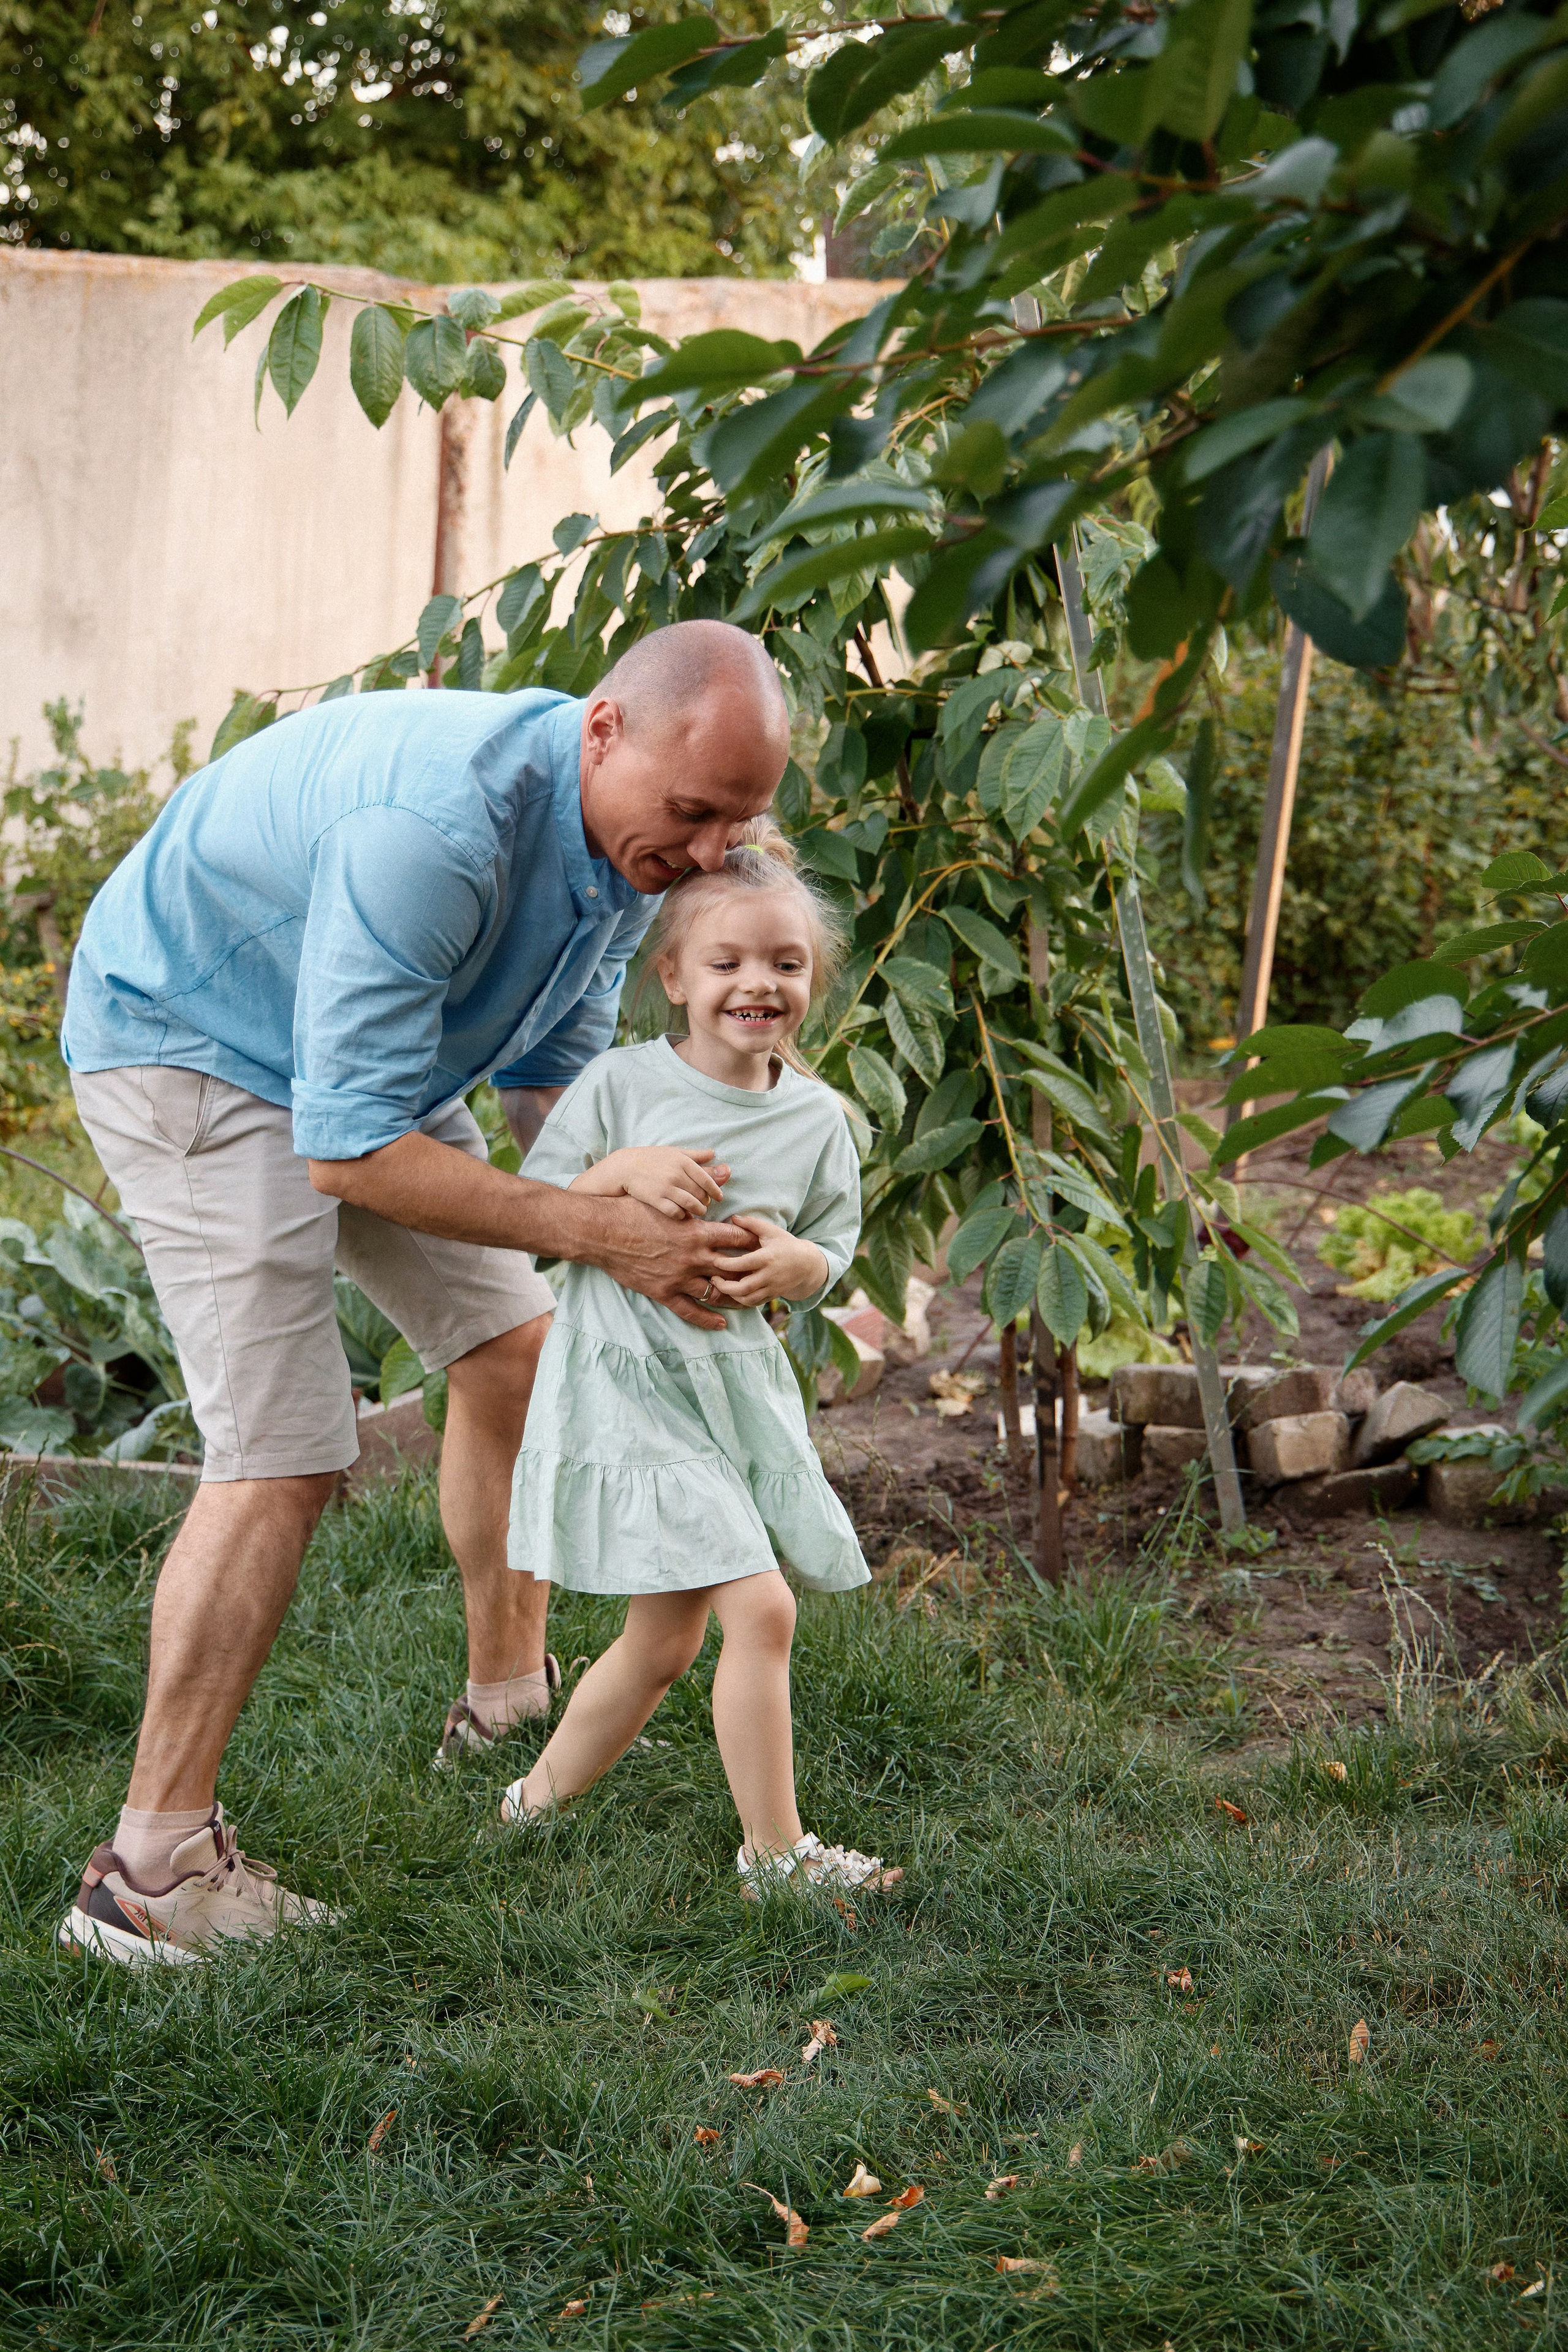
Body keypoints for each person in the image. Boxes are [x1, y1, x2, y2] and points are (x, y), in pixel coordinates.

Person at [55, 619, 791, 1966]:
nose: (707, 855)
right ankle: (150, 1877)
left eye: (735, 826)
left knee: (518, 1348)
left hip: (357, 1068)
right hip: (192, 1040)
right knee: (281, 1452)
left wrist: (657, 1221)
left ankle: (506, 1703)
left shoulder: (631, 845)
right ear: (604, 732)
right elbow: (347, 1153)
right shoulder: (437, 831)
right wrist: (599, 1234)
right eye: (693, 813)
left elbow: (549, 1092)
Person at [497, 824, 899, 1896]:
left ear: (812, 981)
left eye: (785, 963)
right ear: (673, 977)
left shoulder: (817, 1120)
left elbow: (833, 1246)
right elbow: (533, 1216)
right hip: (623, 1382)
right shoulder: (621, 1088)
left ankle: (529, 1807)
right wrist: (619, 1173)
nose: (757, 983)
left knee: (663, 1642)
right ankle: (777, 1857)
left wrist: (798, 1264)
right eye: (727, 962)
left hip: (726, 1390)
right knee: (763, 1609)